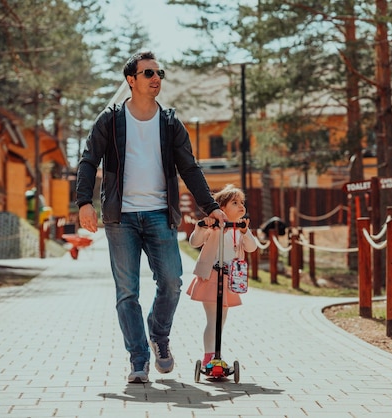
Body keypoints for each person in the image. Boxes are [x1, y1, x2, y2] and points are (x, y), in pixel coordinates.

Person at [75, 51, 227, 383]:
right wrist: (84, 201)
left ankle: (158, 337)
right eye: (148, 73)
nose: (156, 77)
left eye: (159, 72)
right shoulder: (111, 119)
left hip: (160, 214)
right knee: (127, 291)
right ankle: (139, 359)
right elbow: (89, 161)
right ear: (131, 80)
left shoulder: (169, 122)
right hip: (120, 218)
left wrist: (210, 206)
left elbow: (189, 167)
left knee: (172, 281)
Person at [186, 184, 257, 368]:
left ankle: (217, 354)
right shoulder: (214, 225)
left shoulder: (241, 228)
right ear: (221, 208)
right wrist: (202, 227)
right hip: (212, 276)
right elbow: (194, 242)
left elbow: (252, 247)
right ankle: (209, 356)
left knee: (221, 320)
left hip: (230, 279)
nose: (241, 206)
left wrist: (244, 232)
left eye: (242, 202)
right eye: (235, 203)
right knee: (212, 319)